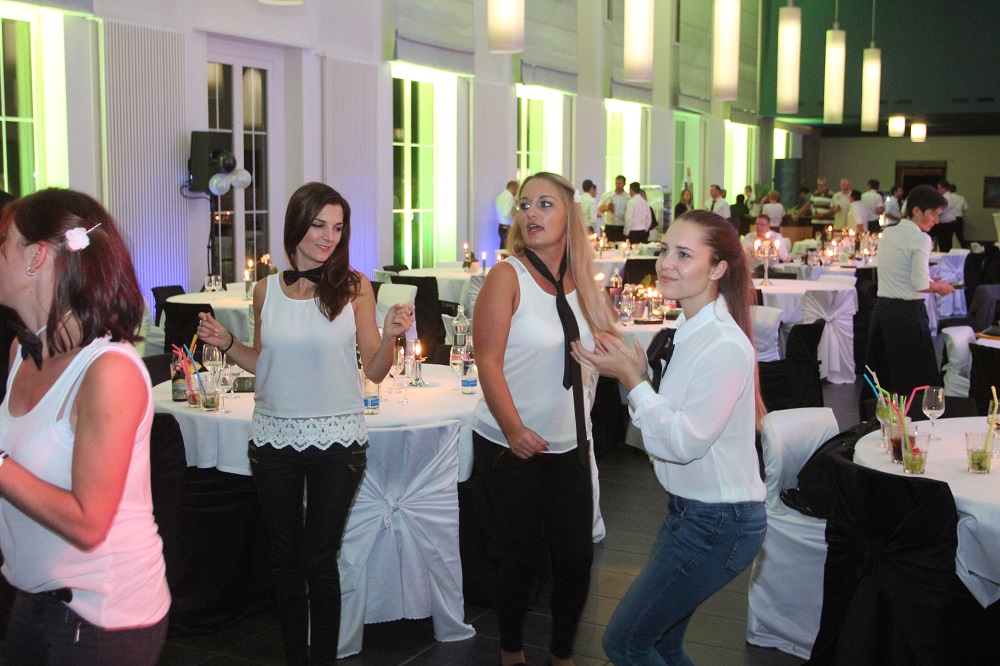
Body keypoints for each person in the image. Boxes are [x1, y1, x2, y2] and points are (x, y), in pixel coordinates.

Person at [195, 182, 414, 665]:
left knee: (319, 559)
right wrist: (226, 343)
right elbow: (265, 363)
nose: (329, 237)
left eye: (337, 228)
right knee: (285, 560)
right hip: (274, 437)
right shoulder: (264, 290)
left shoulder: (354, 287)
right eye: (319, 225)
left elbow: (375, 370)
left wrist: (392, 338)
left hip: (338, 439)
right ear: (296, 225)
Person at [572, 209, 766, 666]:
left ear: (717, 269)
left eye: (683, 254)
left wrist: (632, 380)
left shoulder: (723, 344)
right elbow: (675, 420)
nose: (665, 263)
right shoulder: (689, 329)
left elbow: (682, 444)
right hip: (693, 512)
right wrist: (639, 376)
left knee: (624, 643)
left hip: (719, 521)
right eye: (664, 250)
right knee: (660, 644)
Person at [0, 188, 170, 664]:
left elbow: (88, 523)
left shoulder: (108, 371)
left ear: (36, 257)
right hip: (35, 595)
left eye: (1, 245)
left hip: (102, 616)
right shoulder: (23, 354)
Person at [472, 172, 618, 666]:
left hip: (568, 440)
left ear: (570, 215)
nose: (531, 212)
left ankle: (562, 655)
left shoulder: (585, 284)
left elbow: (604, 349)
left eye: (545, 204)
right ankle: (511, 652)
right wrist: (514, 430)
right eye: (525, 204)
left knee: (576, 557)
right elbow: (487, 361)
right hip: (509, 440)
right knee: (521, 556)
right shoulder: (507, 276)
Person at [865, 184, 955, 411]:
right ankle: (920, 424)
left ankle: (882, 422)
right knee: (918, 379)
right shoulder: (921, 238)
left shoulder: (889, 233)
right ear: (916, 210)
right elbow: (919, 284)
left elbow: (899, 272)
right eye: (933, 213)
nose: (936, 220)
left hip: (883, 312)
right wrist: (939, 286)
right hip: (907, 315)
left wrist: (930, 281)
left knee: (884, 376)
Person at [598, 175, 629, 242]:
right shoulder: (607, 195)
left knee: (621, 245)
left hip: (622, 226)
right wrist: (607, 208)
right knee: (608, 244)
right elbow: (599, 208)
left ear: (624, 184)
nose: (617, 185)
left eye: (620, 183)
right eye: (616, 183)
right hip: (610, 226)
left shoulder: (628, 197)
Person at [935, 180, 957, 252]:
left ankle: (944, 256)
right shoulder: (948, 196)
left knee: (944, 243)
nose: (937, 190)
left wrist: (933, 212)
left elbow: (941, 210)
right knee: (946, 243)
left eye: (939, 188)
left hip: (946, 224)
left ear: (944, 189)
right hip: (948, 223)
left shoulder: (946, 198)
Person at [496, 180, 519, 248]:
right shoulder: (509, 197)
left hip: (501, 225)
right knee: (508, 249)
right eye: (517, 189)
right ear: (514, 188)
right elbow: (507, 213)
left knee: (503, 248)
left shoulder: (500, 196)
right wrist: (512, 226)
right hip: (508, 227)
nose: (517, 192)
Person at [950, 183, 968, 248]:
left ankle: (948, 248)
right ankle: (963, 247)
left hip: (949, 218)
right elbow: (965, 208)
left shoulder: (947, 198)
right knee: (959, 234)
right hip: (959, 218)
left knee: (948, 235)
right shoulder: (961, 198)